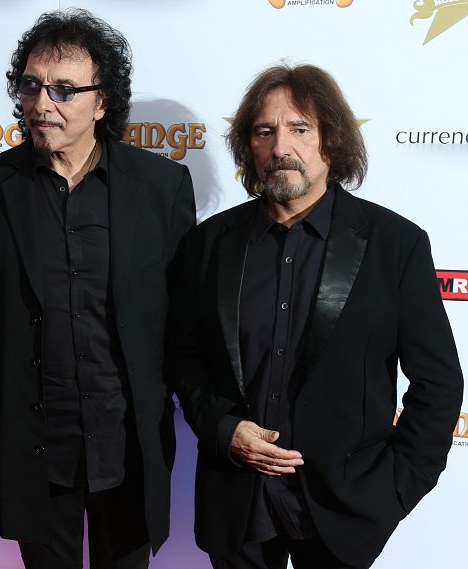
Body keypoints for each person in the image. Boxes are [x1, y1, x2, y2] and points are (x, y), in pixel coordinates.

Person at [167, 63, 464, 569]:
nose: (281, 146)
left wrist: (392, 490)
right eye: (265, 131)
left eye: (300, 129)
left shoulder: (395, 246)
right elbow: (182, 357)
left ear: (331, 141)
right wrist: (222, 429)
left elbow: (438, 384)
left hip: (341, 510)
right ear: (249, 147)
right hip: (238, 505)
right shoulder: (208, 245)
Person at [0, 9, 195, 569]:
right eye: (31, 86)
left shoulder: (161, 187)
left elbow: (178, 314)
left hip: (128, 440)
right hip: (36, 440)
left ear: (102, 101)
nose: (42, 104)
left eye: (63, 90)